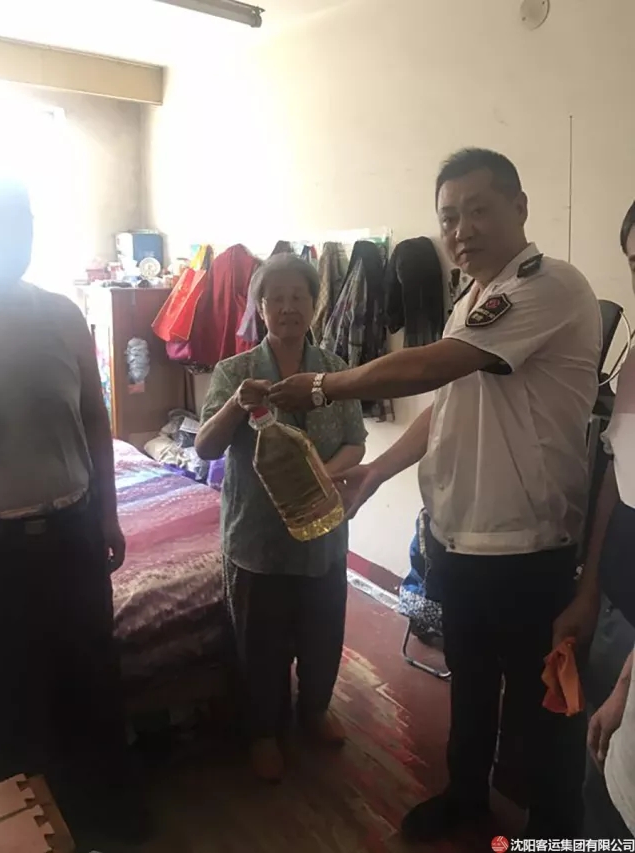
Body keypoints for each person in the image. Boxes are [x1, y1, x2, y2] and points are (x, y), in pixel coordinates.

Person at [269, 149, 602, 841]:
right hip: (460, 537)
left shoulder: (548, 286)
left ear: (520, 207)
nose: (461, 229)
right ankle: (466, 796)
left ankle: (554, 830)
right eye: (449, 216)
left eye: (479, 210)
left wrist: (325, 385)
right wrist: (376, 470)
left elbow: (429, 368)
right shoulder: (469, 300)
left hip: (527, 545)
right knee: (471, 681)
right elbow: (447, 402)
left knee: (541, 706)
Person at [0, 176, 146, 847]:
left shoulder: (61, 316)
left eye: (22, 223)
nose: (14, 237)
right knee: (10, 686)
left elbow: (93, 420)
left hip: (72, 530)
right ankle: (25, 830)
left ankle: (108, 822)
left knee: (90, 675)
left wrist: (108, 514)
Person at [195, 254, 367, 782]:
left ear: (314, 304)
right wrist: (234, 406)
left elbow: (356, 443)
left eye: (299, 297)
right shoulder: (236, 371)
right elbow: (205, 447)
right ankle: (263, 733)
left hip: (323, 529)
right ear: (260, 307)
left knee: (323, 632)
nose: (289, 307)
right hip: (258, 535)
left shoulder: (335, 369)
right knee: (260, 642)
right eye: (277, 298)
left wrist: (321, 474)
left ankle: (313, 710)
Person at [554, 200, 635, 838]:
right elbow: (615, 475)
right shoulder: (634, 363)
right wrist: (589, 589)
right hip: (617, 609)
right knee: (600, 779)